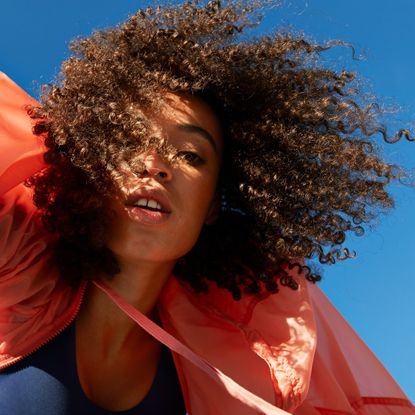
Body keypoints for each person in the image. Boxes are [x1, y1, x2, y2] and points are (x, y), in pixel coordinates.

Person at [0, 1, 414, 414]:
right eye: (127, 142)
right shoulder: (16, 262)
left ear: (213, 205)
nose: (155, 165)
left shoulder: (245, 371)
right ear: (91, 167)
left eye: (191, 155)